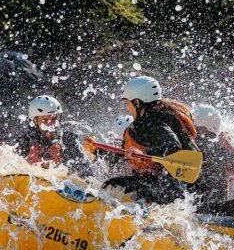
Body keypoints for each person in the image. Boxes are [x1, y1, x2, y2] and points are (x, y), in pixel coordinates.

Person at [85, 76, 199, 204]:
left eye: (127, 103)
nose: (127, 108)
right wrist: (98, 150)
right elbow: (125, 154)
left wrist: (144, 156)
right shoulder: (160, 117)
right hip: (173, 189)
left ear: (137, 103)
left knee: (112, 186)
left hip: (167, 189)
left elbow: (172, 147)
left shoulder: (154, 122)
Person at [0, 95, 88, 170]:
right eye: (45, 120)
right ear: (35, 121)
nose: (51, 124)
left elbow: (85, 171)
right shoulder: (26, 142)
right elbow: (3, 149)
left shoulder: (68, 140)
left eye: (54, 119)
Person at [189, 104, 234, 204]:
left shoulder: (209, 146)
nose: (189, 126)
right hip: (209, 203)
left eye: (192, 124)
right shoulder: (221, 146)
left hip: (206, 205)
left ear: (203, 127)